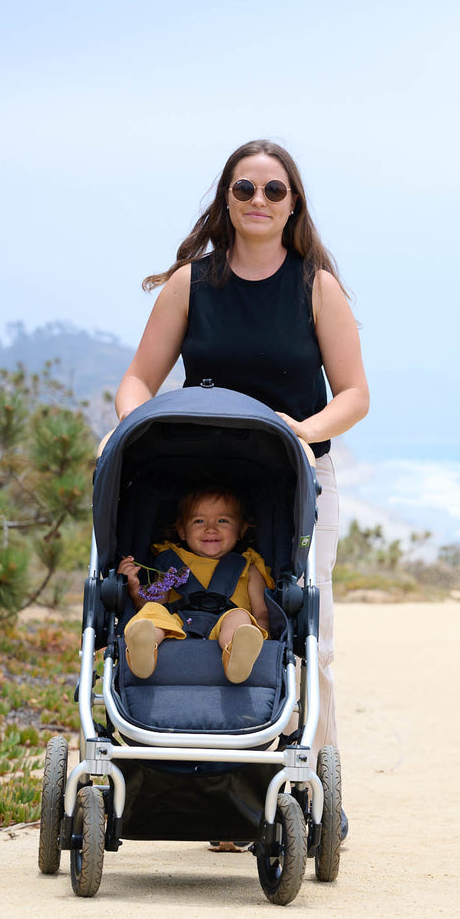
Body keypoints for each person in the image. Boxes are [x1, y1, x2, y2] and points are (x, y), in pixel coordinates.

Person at [114, 139, 369, 774]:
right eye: (244, 189)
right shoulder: (190, 284)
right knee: (179, 610)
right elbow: (137, 380)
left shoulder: (316, 287)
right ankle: (201, 772)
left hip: (296, 474)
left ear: (293, 204)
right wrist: (132, 426)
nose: (258, 200)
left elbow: (356, 395)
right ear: (226, 201)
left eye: (273, 190)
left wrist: (303, 432)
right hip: (201, 479)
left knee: (312, 633)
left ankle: (311, 774)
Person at [118, 487, 272, 683]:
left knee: (240, 616)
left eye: (222, 520)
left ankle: (237, 653)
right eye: (199, 521)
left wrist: (262, 635)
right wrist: (133, 589)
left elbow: (262, 613)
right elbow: (156, 601)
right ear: (182, 530)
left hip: (225, 624)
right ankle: (144, 648)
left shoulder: (249, 566)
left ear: (241, 529)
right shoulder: (172, 560)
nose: (211, 528)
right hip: (178, 625)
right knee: (154, 612)